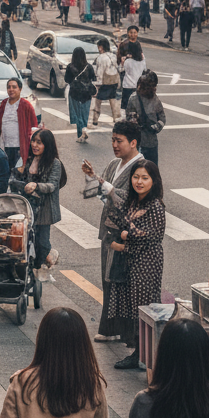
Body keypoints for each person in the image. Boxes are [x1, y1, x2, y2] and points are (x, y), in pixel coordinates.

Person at [80, 121, 144, 344]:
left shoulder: (141, 167)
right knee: (108, 279)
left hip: (126, 232)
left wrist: (110, 189)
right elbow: (101, 192)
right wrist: (93, 177)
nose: (115, 145)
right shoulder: (114, 163)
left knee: (121, 280)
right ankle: (111, 327)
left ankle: (121, 329)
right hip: (109, 229)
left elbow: (138, 197)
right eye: (113, 140)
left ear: (133, 143)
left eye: (120, 141)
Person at [107, 161, 166, 370]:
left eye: (144, 178)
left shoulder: (155, 206)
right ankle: (139, 352)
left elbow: (154, 235)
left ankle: (147, 354)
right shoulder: (133, 202)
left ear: (153, 181)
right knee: (131, 304)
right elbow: (118, 217)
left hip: (147, 261)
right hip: (129, 260)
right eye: (136, 177)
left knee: (144, 305)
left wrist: (127, 234)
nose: (139, 182)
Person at [13, 129, 65, 270]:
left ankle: (46, 256)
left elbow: (52, 185)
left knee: (42, 243)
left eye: (39, 142)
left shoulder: (55, 164)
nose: (35, 145)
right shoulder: (29, 160)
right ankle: (31, 268)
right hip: (28, 207)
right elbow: (19, 178)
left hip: (44, 209)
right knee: (26, 239)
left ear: (47, 145)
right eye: (33, 141)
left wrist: (36, 186)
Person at [0, 77, 38, 168]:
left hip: (20, 147)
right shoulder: (4, 104)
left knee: (18, 171)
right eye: (9, 87)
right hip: (5, 145)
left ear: (20, 89)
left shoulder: (26, 105)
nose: (11, 89)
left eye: (14, 87)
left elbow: (34, 125)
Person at [126, 71, 165, 166]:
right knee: (152, 169)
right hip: (151, 142)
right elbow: (162, 118)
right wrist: (154, 128)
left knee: (136, 169)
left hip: (137, 142)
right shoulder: (155, 99)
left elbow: (130, 121)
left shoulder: (134, 98)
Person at [65, 47, 95, 144]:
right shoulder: (89, 67)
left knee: (77, 114)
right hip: (86, 94)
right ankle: (84, 128)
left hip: (74, 93)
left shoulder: (70, 67)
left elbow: (67, 79)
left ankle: (80, 134)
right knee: (85, 113)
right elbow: (93, 78)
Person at [91, 39, 121, 127]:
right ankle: (115, 118)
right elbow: (118, 68)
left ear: (101, 47)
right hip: (114, 81)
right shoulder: (113, 56)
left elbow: (100, 72)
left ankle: (95, 120)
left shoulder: (100, 58)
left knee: (98, 101)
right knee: (112, 98)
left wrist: (97, 85)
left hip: (104, 82)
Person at [119, 33, 146, 110]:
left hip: (128, 85)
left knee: (126, 106)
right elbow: (144, 69)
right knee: (138, 106)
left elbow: (122, 70)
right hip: (139, 85)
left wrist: (123, 61)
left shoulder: (128, 61)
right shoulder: (142, 60)